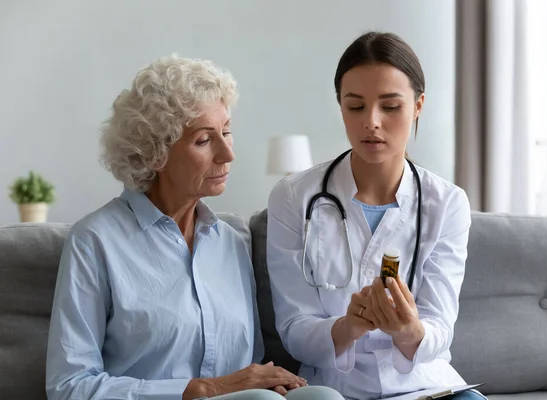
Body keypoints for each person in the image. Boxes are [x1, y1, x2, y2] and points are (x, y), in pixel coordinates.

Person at [46, 54, 344, 400]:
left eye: (227, 132)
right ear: (155, 152)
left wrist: (270, 383)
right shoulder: (95, 241)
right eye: (204, 140)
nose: (228, 154)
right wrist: (201, 390)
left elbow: (250, 366)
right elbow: (68, 386)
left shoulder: (229, 244)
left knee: (322, 397)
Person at [266, 32, 486, 400]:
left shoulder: (447, 203)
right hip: (336, 388)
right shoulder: (293, 197)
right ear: (340, 107)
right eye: (355, 106)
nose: (372, 121)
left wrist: (408, 329)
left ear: (418, 105)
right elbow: (294, 329)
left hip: (426, 386)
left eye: (390, 106)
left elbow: (439, 327)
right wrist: (349, 326)